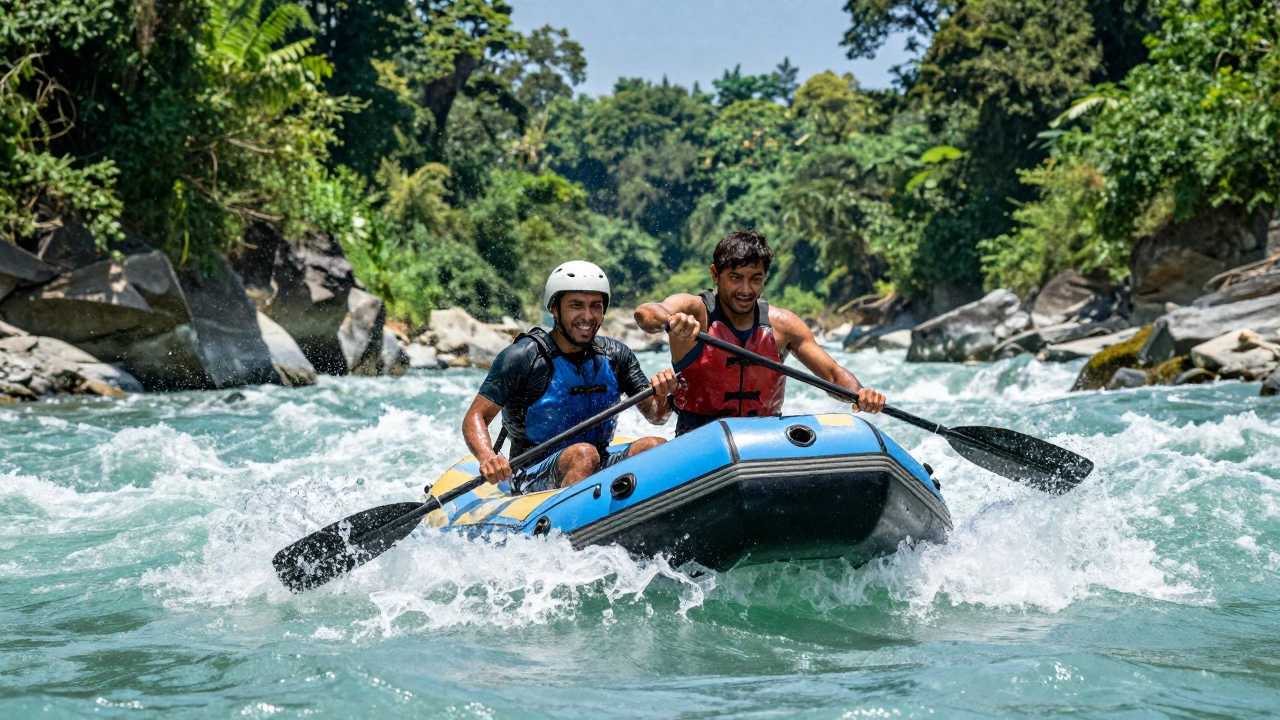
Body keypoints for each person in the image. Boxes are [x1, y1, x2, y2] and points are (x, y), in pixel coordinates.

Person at [634, 229, 885, 436]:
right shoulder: (695, 311)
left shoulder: (783, 325)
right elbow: (646, 314)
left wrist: (860, 393)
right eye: (735, 277)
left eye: (755, 278)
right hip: (700, 437)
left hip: (765, 440)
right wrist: (671, 322)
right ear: (715, 274)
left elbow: (831, 373)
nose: (746, 289)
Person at [463, 261, 679, 493]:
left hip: (598, 459)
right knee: (583, 455)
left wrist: (664, 393)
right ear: (555, 308)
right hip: (530, 471)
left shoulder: (617, 355)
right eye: (576, 305)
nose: (587, 316)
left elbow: (657, 417)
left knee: (654, 447)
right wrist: (487, 457)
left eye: (595, 306)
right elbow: (476, 416)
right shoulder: (522, 357)